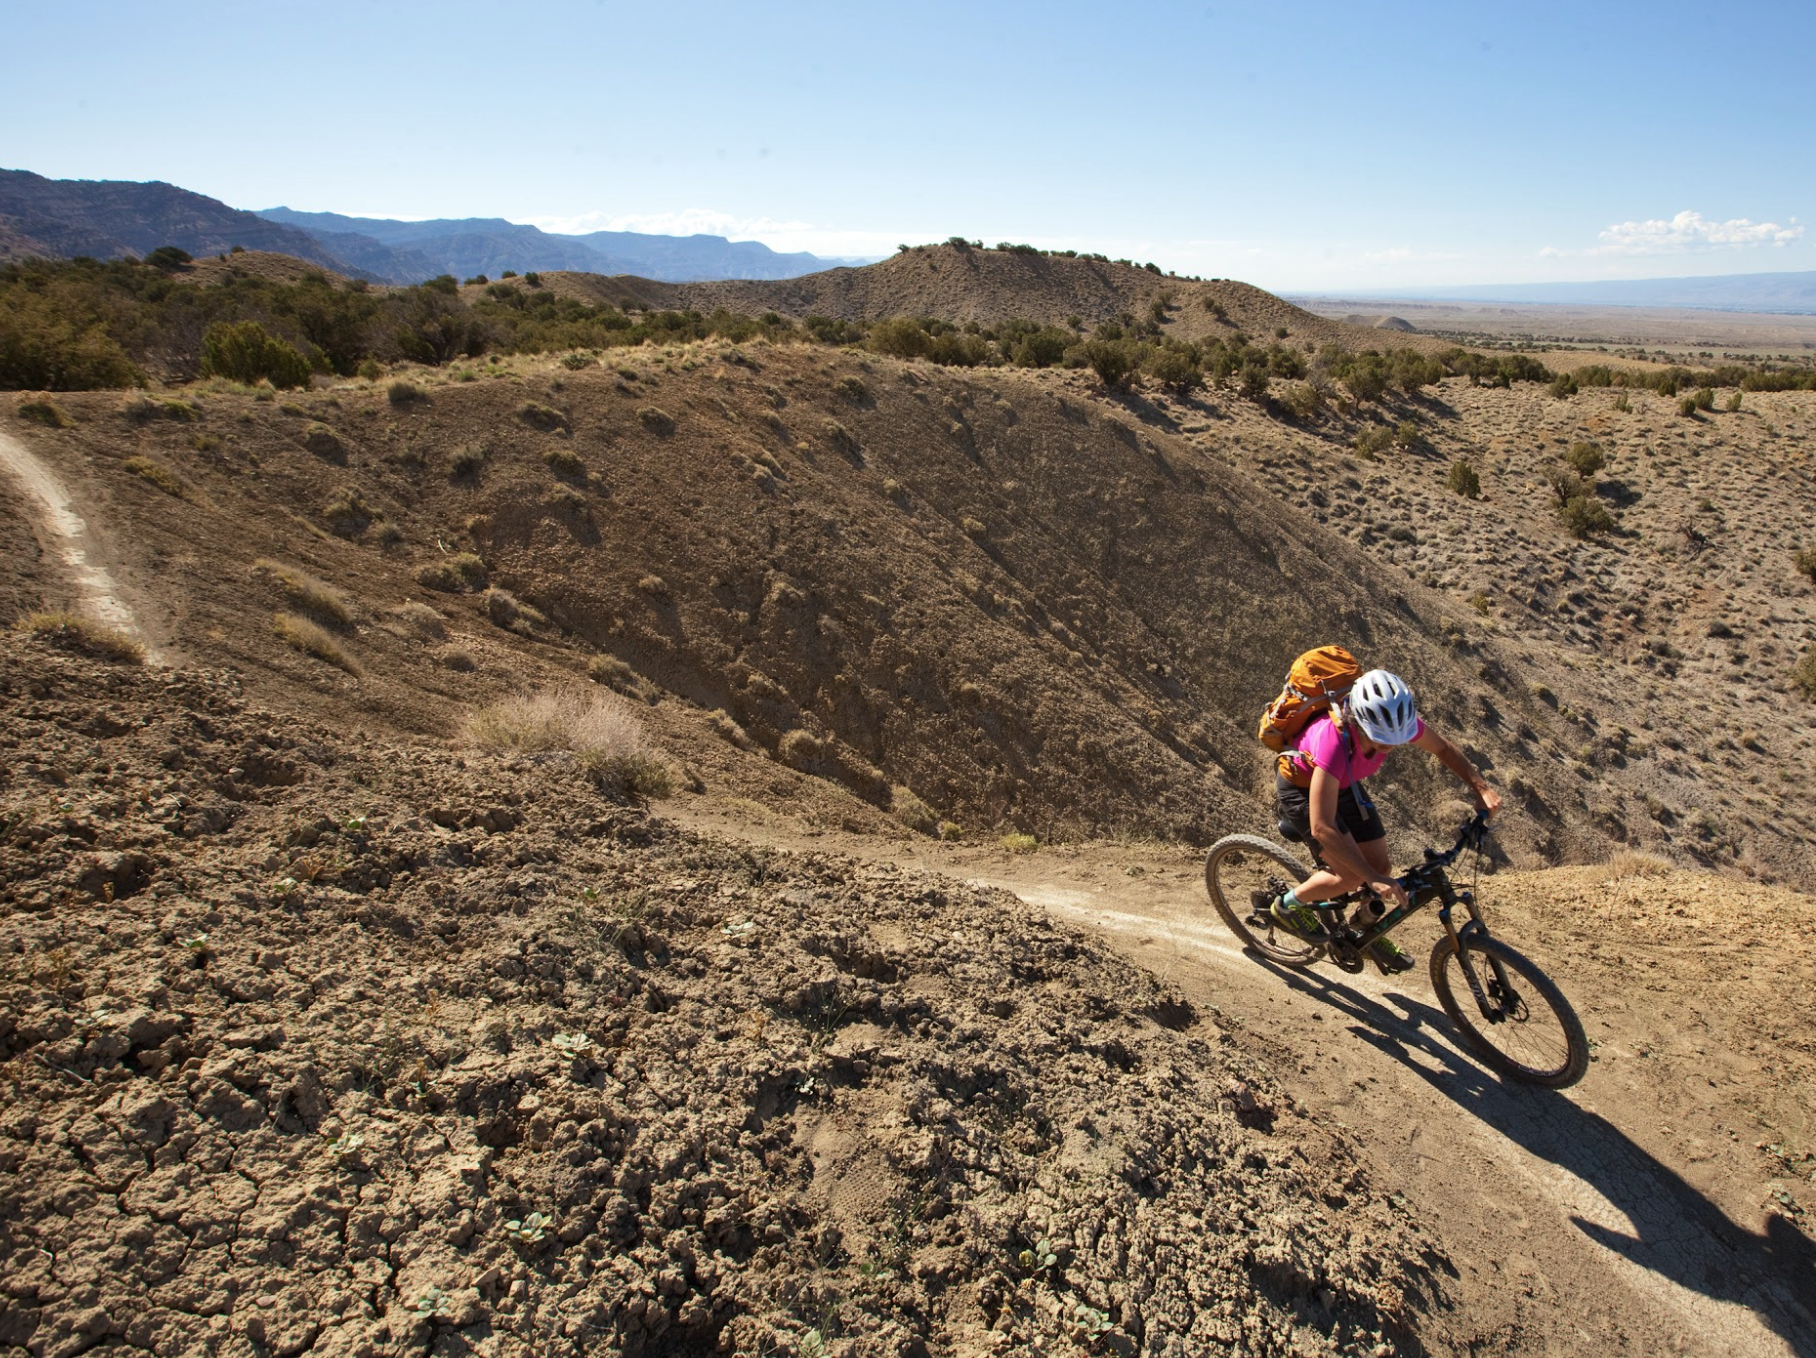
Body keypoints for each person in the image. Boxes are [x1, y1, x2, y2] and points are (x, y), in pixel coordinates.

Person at [1269, 669, 1502, 973]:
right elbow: (1322, 827)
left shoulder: (1397, 723)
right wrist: (1369, 878)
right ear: (1359, 722)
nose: (1388, 747)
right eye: (1380, 740)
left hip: (1343, 783)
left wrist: (1480, 788)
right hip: (1301, 786)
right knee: (1353, 876)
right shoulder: (1334, 741)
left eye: (1396, 740)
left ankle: (1362, 931)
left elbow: (1442, 748)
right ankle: (1286, 906)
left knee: (1381, 867)